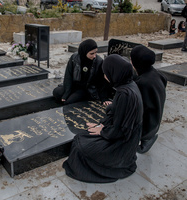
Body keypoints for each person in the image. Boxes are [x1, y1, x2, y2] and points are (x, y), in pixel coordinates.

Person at [63, 54, 143, 183]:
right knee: (83, 136)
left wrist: (102, 131)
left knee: (80, 146)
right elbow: (118, 117)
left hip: (122, 143)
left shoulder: (124, 94)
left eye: (106, 73)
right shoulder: (128, 84)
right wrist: (102, 125)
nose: (105, 76)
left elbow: (121, 129)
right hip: (123, 135)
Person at [130, 45, 167, 154]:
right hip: (156, 118)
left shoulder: (142, 83)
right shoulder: (157, 74)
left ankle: (146, 139)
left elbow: (137, 107)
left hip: (147, 124)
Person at [53, 39, 113, 105]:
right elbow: (68, 75)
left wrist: (104, 98)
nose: (94, 56)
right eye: (92, 53)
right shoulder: (74, 58)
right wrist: (66, 93)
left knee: (68, 102)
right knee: (56, 92)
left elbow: (102, 81)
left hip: (86, 89)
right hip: (74, 85)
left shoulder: (99, 61)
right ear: (84, 52)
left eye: (96, 52)